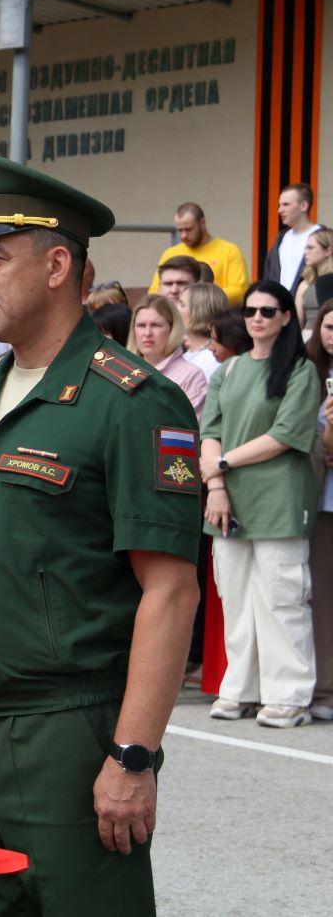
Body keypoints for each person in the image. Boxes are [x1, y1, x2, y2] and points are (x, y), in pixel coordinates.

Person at [0, 155, 202, 915]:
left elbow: (171, 589)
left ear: (57, 264)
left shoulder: (133, 402)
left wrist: (133, 755)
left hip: (65, 732)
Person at [200, 280, 321, 729]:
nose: (256, 318)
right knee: (236, 597)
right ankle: (241, 689)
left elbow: (285, 435)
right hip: (226, 499)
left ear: (287, 317)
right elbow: (208, 431)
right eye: (250, 310)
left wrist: (221, 465)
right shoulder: (227, 372)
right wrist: (216, 484)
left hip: (279, 500)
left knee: (281, 598)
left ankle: (287, 695)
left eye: (268, 311)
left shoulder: (299, 371)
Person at [306, 300, 333, 721]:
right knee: (322, 595)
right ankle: (325, 688)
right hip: (320, 498)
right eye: (329, 326)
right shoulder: (305, 374)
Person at [147, 203, 249, 305]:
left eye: (188, 229)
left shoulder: (229, 251)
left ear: (202, 223)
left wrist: (199, 298)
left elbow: (240, 291)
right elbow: (154, 291)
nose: (183, 235)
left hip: (216, 314)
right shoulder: (170, 253)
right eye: (179, 230)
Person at [128, 294, 207, 417]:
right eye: (141, 325)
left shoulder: (191, 375)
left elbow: (189, 430)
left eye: (156, 325)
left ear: (172, 328)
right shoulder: (124, 369)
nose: (147, 333)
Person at [264, 183, 323, 292]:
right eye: (279, 205)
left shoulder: (323, 237)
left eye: (286, 204)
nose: (280, 210)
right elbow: (269, 275)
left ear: (304, 206)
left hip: (311, 305)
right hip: (281, 306)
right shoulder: (281, 238)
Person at [178, 282, 230, 381]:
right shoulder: (183, 352)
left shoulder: (214, 358)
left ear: (200, 311)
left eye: (182, 305)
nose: (176, 309)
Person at [293, 228, 333, 335]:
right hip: (308, 340)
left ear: (327, 251)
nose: (305, 252)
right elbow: (297, 323)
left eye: (310, 248)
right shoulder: (304, 284)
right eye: (305, 248)